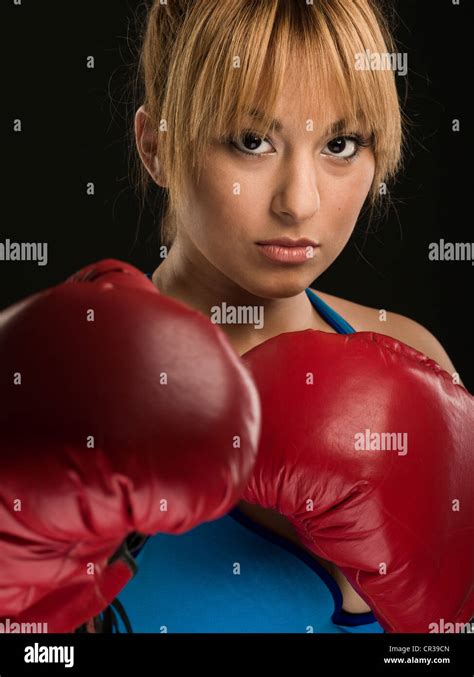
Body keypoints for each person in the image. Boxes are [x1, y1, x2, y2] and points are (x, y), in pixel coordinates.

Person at [111, 0, 468, 633]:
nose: (299, 202)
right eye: (252, 142)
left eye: (340, 143)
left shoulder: (412, 354)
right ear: (156, 146)